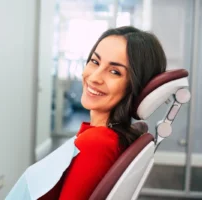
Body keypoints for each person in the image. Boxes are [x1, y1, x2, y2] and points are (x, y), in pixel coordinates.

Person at [38, 26, 167, 200]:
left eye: (115, 72)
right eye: (95, 62)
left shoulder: (96, 143)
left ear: (136, 85)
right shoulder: (107, 136)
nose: (94, 78)